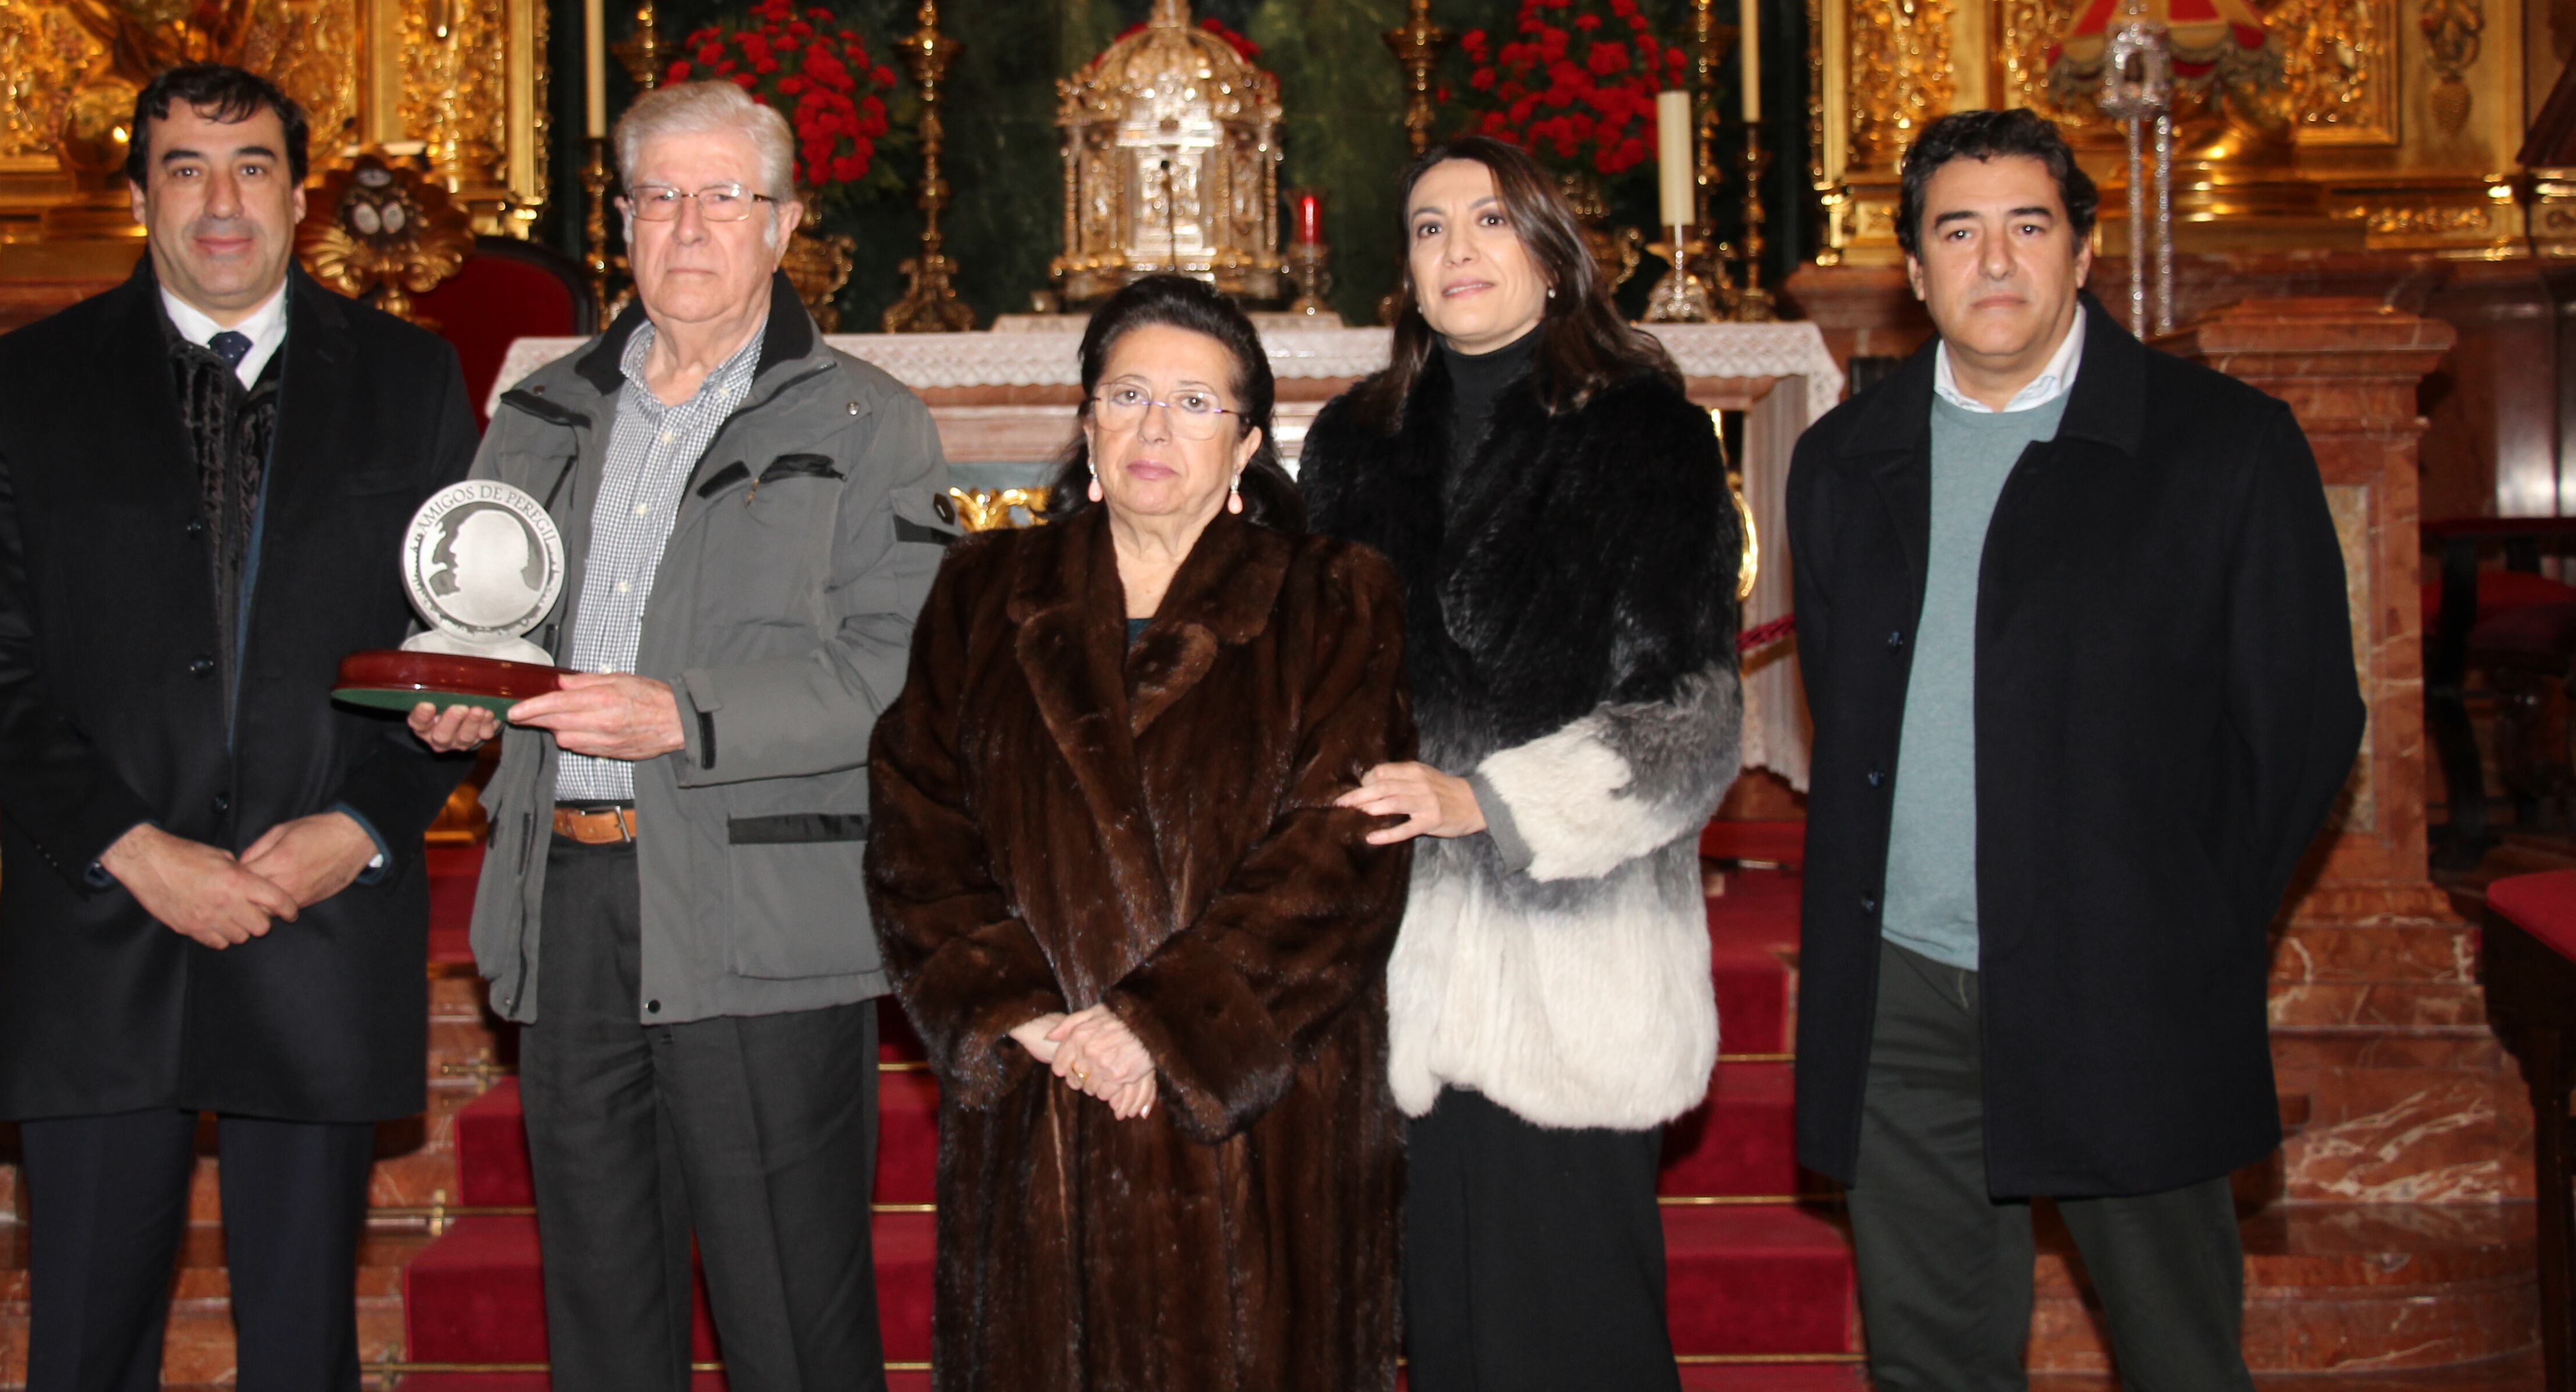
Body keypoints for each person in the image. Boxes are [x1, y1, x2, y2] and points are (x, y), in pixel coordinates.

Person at [1786, 109, 2364, 1389]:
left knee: (2176, 1354)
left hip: (2127, 984)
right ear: (1916, 266)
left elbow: (2305, 720)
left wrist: (2191, 919)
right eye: (1959, 230)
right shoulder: (1842, 462)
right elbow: (1853, 704)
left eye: (2028, 226)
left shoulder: (2222, 446)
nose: (1994, 261)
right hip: (1904, 991)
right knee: (1932, 1363)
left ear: (2084, 251)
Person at [0, 62, 477, 1392]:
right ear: (139, 197)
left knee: (302, 1350)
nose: (219, 201)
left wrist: (359, 827)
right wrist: (133, 845)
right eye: (184, 167)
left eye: (249, 168)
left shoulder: (409, 380)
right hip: (105, 915)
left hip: (320, 909)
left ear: (300, 194)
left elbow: (460, 653)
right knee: (85, 1347)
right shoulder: (30, 381)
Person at [410, 80, 950, 1392]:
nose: (689, 227)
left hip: (757, 905)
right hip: (569, 892)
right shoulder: (540, 409)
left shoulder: (865, 419)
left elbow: (907, 667)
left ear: (784, 224)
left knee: (791, 1315)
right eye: (659, 196)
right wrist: (456, 696)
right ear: (624, 222)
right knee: (600, 1306)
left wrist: (685, 713)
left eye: (724, 196)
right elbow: (487, 613)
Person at [868, 273, 1414, 1392]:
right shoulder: (983, 592)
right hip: (1043, 1092)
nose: (1154, 427)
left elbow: (1341, 845)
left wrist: (1157, 1025)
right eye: (1125, 395)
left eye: (1194, 402)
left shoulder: (1330, 596)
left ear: (1248, 443)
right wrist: (1015, 1008)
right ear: (1085, 423)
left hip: (1258, 1105)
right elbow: (918, 817)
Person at [1298, 135, 1742, 1391]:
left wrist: (1485, 797)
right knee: (1438, 1331)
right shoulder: (1352, 443)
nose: (1456, 249)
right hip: (1395, 956)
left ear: (1552, 257)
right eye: (1429, 228)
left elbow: (1694, 713)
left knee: (1577, 1327)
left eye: (1488, 220)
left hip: (1571, 945)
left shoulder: (1645, 433)